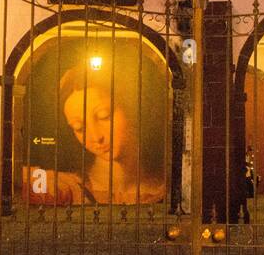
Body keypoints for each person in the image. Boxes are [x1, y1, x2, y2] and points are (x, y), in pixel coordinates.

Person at [25, 60, 165, 206]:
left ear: (130, 108)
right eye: (79, 128)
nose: (96, 137)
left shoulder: (165, 187)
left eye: (104, 116)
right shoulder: (69, 186)